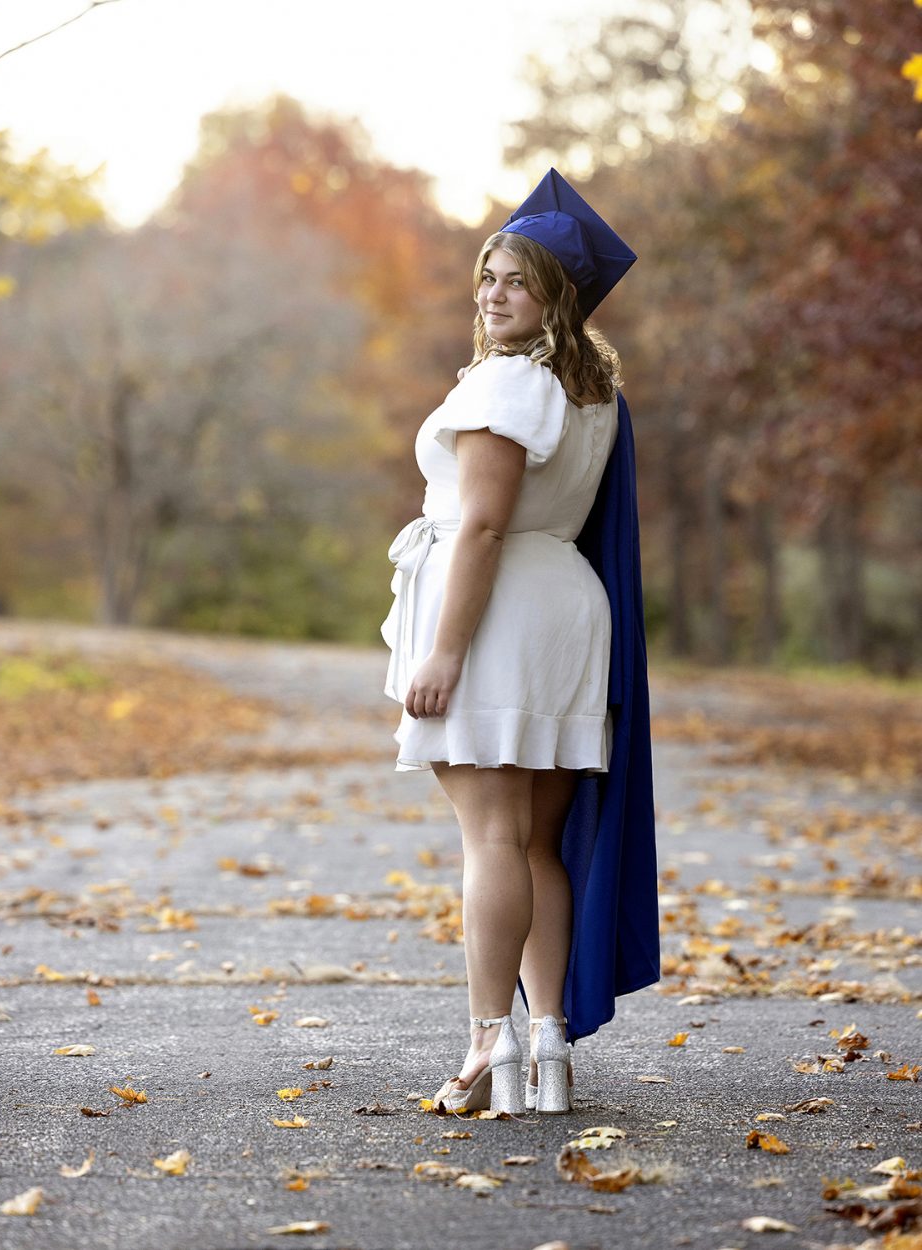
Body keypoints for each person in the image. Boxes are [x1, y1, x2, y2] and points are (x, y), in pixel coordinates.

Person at [380, 169, 660, 1115]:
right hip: (566, 608)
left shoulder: (506, 382)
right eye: (487, 278)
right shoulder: (594, 390)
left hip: (499, 611)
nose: (493, 294)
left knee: (492, 839)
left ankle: (485, 1050)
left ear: (555, 294)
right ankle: (548, 1053)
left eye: (514, 278)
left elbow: (484, 527)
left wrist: (446, 650)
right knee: (537, 844)